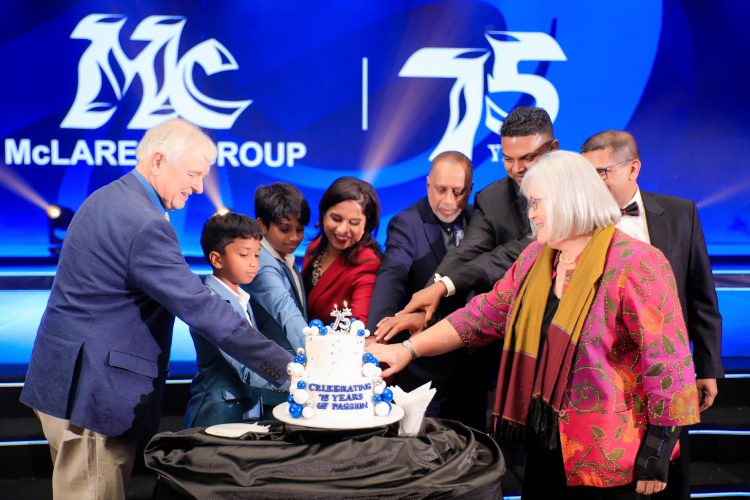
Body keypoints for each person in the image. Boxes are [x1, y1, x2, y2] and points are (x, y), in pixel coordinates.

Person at [370, 151, 700, 499]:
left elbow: (668, 364)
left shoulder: (638, 263)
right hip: (544, 443)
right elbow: (482, 315)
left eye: (537, 203)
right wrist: (407, 349)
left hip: (612, 459)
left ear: (568, 199)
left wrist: (658, 450)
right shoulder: (535, 258)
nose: (531, 214)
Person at [20, 119, 291, 500]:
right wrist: (289, 369)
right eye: (193, 174)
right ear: (159, 161)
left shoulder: (109, 198)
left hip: (67, 381)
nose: (199, 187)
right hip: (91, 394)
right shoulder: (143, 222)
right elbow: (201, 307)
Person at [581, 130, 723, 500]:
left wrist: (708, 367)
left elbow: (702, 297)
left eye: (602, 172)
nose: (592, 183)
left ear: (633, 168)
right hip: (606, 381)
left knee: (669, 476)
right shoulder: (578, 222)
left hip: (668, 371)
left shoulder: (680, 213)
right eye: (587, 173)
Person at [400, 106, 558, 324]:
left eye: (527, 158)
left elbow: (522, 249)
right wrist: (427, 302)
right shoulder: (492, 199)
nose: (516, 169)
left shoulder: (578, 190)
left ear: (553, 149)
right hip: (507, 319)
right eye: (508, 159)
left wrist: (444, 286)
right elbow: (465, 252)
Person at [368, 151, 487, 429]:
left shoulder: (481, 220)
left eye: (458, 192)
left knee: (471, 438)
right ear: (428, 184)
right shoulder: (407, 223)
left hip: (473, 362)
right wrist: (377, 333)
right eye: (441, 190)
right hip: (422, 362)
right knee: (417, 438)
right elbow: (392, 274)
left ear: (470, 188)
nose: (449, 201)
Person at [184, 213, 290, 427]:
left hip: (244, 411)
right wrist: (300, 380)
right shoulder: (210, 302)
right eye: (244, 255)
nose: (253, 264)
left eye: (257, 255)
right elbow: (247, 367)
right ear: (216, 259)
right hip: (216, 414)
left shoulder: (243, 299)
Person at [245, 182, 310, 413]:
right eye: (285, 229)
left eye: (300, 229)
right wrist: (318, 355)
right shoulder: (262, 264)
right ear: (262, 225)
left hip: (288, 382)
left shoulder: (282, 256)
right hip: (273, 385)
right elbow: (286, 310)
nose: (294, 237)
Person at [302, 177, 381, 325]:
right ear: (323, 214)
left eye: (354, 223)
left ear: (366, 225)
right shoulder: (314, 247)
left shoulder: (368, 262)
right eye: (336, 219)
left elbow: (358, 325)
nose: (342, 229)